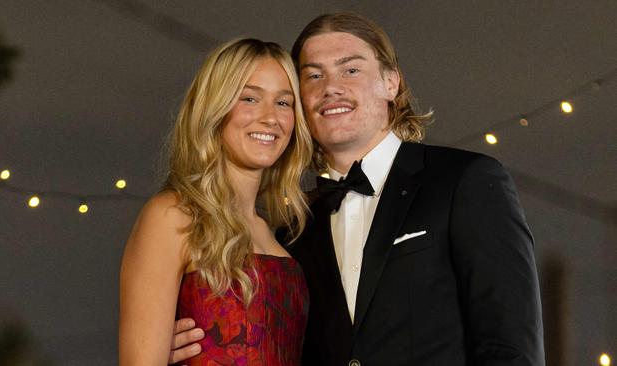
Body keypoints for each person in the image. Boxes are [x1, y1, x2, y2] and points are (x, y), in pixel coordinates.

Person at [169, 12, 545, 366]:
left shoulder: (466, 181)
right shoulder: (289, 233)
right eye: (313, 76)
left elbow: (510, 347)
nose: (332, 87)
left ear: (390, 83)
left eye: (350, 70)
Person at [119, 38, 314, 366]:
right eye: (249, 98)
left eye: (284, 103)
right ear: (215, 108)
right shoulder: (172, 216)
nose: (270, 118)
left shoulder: (277, 233)